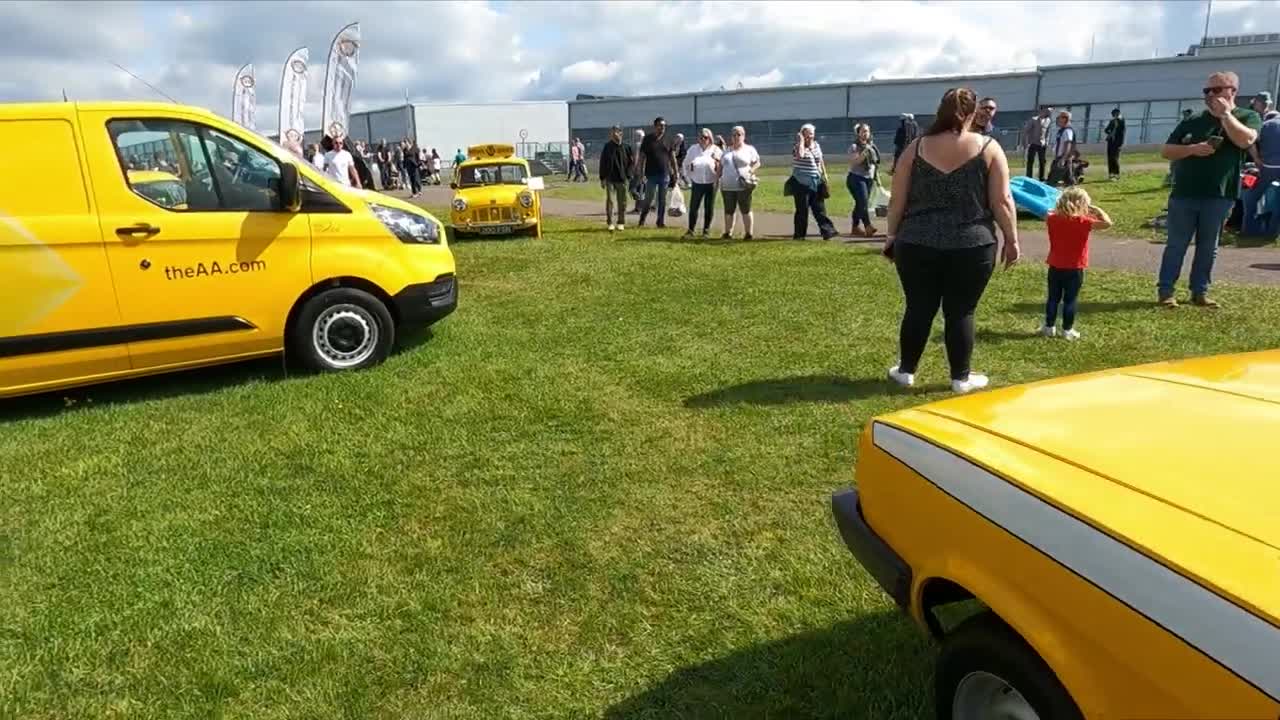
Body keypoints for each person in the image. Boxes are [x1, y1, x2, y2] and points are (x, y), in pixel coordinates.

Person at [883, 87, 1020, 394]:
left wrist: (891, 236)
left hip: (916, 242)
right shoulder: (989, 147)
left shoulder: (915, 148)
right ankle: (960, 377)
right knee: (961, 311)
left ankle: (906, 371)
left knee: (918, 307)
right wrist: (1012, 239)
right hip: (972, 244)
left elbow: (897, 202)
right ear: (973, 113)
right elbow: (1002, 201)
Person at [1157, 71, 1262, 308]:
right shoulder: (1192, 120)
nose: (1210, 95)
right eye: (1207, 90)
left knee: (1208, 246)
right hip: (1184, 193)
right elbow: (1166, 151)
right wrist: (1193, 149)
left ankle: (1200, 291)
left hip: (1220, 195)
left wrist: (1226, 116)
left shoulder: (1248, 116)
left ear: (1232, 91)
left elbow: (1246, 141)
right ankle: (1166, 291)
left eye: (1217, 89)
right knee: (1176, 244)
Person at [1042, 187, 1112, 340]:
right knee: (1070, 299)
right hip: (1075, 267)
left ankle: (1049, 327)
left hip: (1055, 265)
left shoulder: (1052, 219)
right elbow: (1107, 224)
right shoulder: (1084, 222)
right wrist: (1097, 210)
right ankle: (1067, 330)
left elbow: (1047, 212)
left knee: (1053, 298)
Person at [786, 123, 836, 240]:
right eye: (806, 135)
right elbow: (800, 155)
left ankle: (827, 231)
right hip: (801, 183)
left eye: (811, 134)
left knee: (820, 209)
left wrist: (824, 174)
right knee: (802, 210)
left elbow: (820, 160)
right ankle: (799, 235)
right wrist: (801, 141)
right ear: (802, 135)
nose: (809, 137)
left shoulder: (816, 145)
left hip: (816, 181)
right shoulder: (797, 146)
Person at [719, 125, 760, 240]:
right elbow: (721, 167)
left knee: (745, 209)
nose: (736, 137)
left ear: (743, 136)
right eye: (734, 135)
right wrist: (717, 180)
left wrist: (750, 171)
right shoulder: (727, 150)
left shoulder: (749, 149)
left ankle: (748, 233)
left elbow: (757, 163)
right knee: (729, 210)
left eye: (739, 134)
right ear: (731, 137)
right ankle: (728, 232)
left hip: (743, 185)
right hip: (727, 186)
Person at [682, 128, 721, 238]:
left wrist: (717, 162)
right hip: (697, 182)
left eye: (706, 137)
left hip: (711, 182)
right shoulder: (693, 149)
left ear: (710, 138)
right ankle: (691, 230)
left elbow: (721, 167)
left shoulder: (716, 149)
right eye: (701, 137)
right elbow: (685, 164)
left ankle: (706, 231)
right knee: (694, 207)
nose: (703, 139)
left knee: (709, 207)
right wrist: (687, 178)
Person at [637, 116, 676, 228]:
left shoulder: (669, 139)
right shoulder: (648, 139)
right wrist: (640, 172)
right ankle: (642, 220)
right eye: (660, 126)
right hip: (651, 174)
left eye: (664, 126)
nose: (662, 128)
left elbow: (672, 157)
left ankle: (660, 221)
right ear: (655, 126)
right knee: (648, 199)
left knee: (662, 200)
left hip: (664, 174)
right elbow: (642, 157)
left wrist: (675, 172)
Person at [846, 122, 880, 237]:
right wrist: (865, 152)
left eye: (867, 131)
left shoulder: (872, 146)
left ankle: (855, 227)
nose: (866, 133)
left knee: (860, 204)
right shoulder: (854, 147)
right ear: (858, 133)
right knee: (863, 202)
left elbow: (875, 163)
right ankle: (868, 226)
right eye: (863, 131)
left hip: (868, 178)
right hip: (856, 178)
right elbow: (855, 162)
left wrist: (876, 178)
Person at [597, 125, 632, 231]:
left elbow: (631, 163)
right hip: (610, 179)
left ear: (621, 133)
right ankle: (610, 222)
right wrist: (602, 178)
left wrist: (628, 176)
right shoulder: (607, 147)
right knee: (610, 201)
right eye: (612, 132)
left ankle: (621, 222)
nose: (613, 134)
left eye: (616, 132)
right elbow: (602, 163)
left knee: (622, 202)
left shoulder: (627, 147)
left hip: (622, 179)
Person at [1047, 111, 1077, 186]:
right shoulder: (1061, 130)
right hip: (1060, 158)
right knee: (1069, 180)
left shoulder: (1067, 130)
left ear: (1064, 119)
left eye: (1059, 117)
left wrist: (1063, 158)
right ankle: (1074, 193)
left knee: (1052, 180)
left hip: (1063, 158)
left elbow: (1068, 144)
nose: (1057, 120)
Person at [1022, 107, 1051, 181]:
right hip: (1033, 143)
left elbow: (1047, 132)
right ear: (1042, 111)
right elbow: (1026, 131)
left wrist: (1046, 141)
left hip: (1042, 144)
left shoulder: (1048, 120)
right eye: (1047, 111)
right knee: (1030, 160)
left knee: (1042, 161)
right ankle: (1029, 177)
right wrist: (1025, 142)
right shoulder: (1033, 119)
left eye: (1049, 112)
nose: (1048, 113)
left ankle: (1041, 177)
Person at [1104, 108, 1126, 180]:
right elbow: (1106, 130)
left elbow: (1123, 133)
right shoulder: (1112, 121)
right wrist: (1110, 134)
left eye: (1116, 114)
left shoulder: (1122, 121)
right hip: (1110, 142)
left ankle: (1117, 174)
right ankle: (1111, 173)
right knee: (1110, 158)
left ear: (1118, 113)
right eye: (1113, 115)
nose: (1114, 116)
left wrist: (1120, 143)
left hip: (1117, 143)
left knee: (1115, 158)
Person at [629, 129, 647, 213]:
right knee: (641, 189)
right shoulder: (646, 145)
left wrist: (633, 169)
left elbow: (636, 158)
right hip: (645, 170)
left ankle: (640, 207)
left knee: (633, 189)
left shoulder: (637, 145)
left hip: (638, 171)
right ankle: (638, 208)